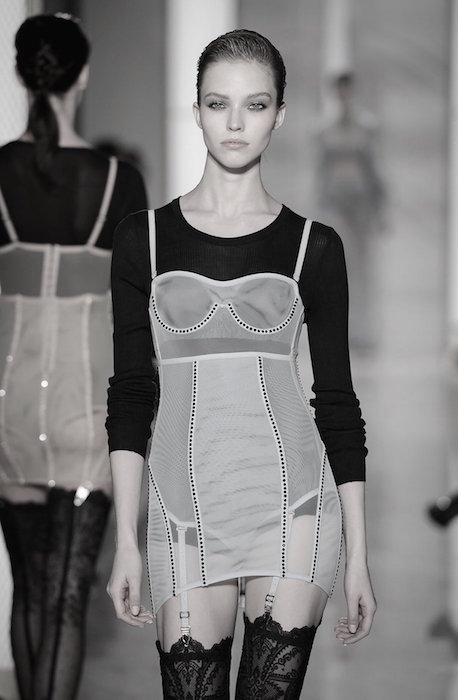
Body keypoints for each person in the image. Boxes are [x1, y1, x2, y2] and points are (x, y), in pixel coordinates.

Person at [106, 29, 376, 699]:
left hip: (295, 508)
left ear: (279, 114)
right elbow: (132, 394)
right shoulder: (142, 240)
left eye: (254, 105)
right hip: (184, 511)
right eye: (217, 103)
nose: (234, 123)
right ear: (196, 110)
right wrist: (126, 541)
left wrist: (359, 558)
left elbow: (337, 404)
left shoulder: (314, 247)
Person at [0, 13, 147, 700]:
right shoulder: (120, 181)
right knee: (65, 596)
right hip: (86, 412)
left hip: (9, 405)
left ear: (22, 75)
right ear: (82, 76)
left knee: (29, 589)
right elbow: (136, 313)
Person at [316, 72, 386, 350]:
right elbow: (320, 173)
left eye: (348, 90)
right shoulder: (324, 130)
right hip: (336, 204)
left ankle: (364, 330)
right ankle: (339, 329)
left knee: (363, 267)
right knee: (337, 265)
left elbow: (375, 170)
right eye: (340, 91)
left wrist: (380, 210)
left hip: (360, 204)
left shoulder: (366, 128)